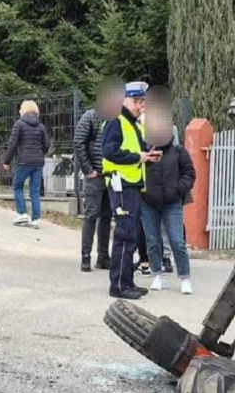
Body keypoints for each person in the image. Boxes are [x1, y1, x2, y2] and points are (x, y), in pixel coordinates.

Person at [100, 81, 155, 299]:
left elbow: (138, 151)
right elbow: (109, 152)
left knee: (131, 235)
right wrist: (138, 157)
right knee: (124, 234)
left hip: (132, 184)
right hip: (120, 183)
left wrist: (149, 157)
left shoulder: (134, 125)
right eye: (135, 101)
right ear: (123, 100)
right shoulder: (116, 122)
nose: (140, 105)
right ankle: (118, 286)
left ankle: (128, 281)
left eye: (142, 101)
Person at [139, 88, 196, 294]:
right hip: (148, 201)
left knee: (176, 241)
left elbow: (189, 174)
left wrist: (177, 190)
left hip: (172, 202)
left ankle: (185, 278)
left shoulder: (179, 151)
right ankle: (157, 275)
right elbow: (136, 172)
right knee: (152, 241)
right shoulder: (144, 152)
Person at [74, 79, 123, 271]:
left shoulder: (118, 120)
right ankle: (86, 256)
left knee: (106, 216)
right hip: (95, 176)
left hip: (111, 175)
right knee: (91, 215)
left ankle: (103, 257)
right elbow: (79, 142)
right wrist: (88, 170)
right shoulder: (90, 116)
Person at [2, 100, 51, 229]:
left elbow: (12, 144)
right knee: (34, 191)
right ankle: (36, 219)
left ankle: (22, 213)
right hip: (38, 162)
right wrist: (40, 153)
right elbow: (47, 144)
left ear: (23, 111)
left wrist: (6, 161)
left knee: (17, 186)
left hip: (24, 161)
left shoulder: (19, 124)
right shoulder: (41, 126)